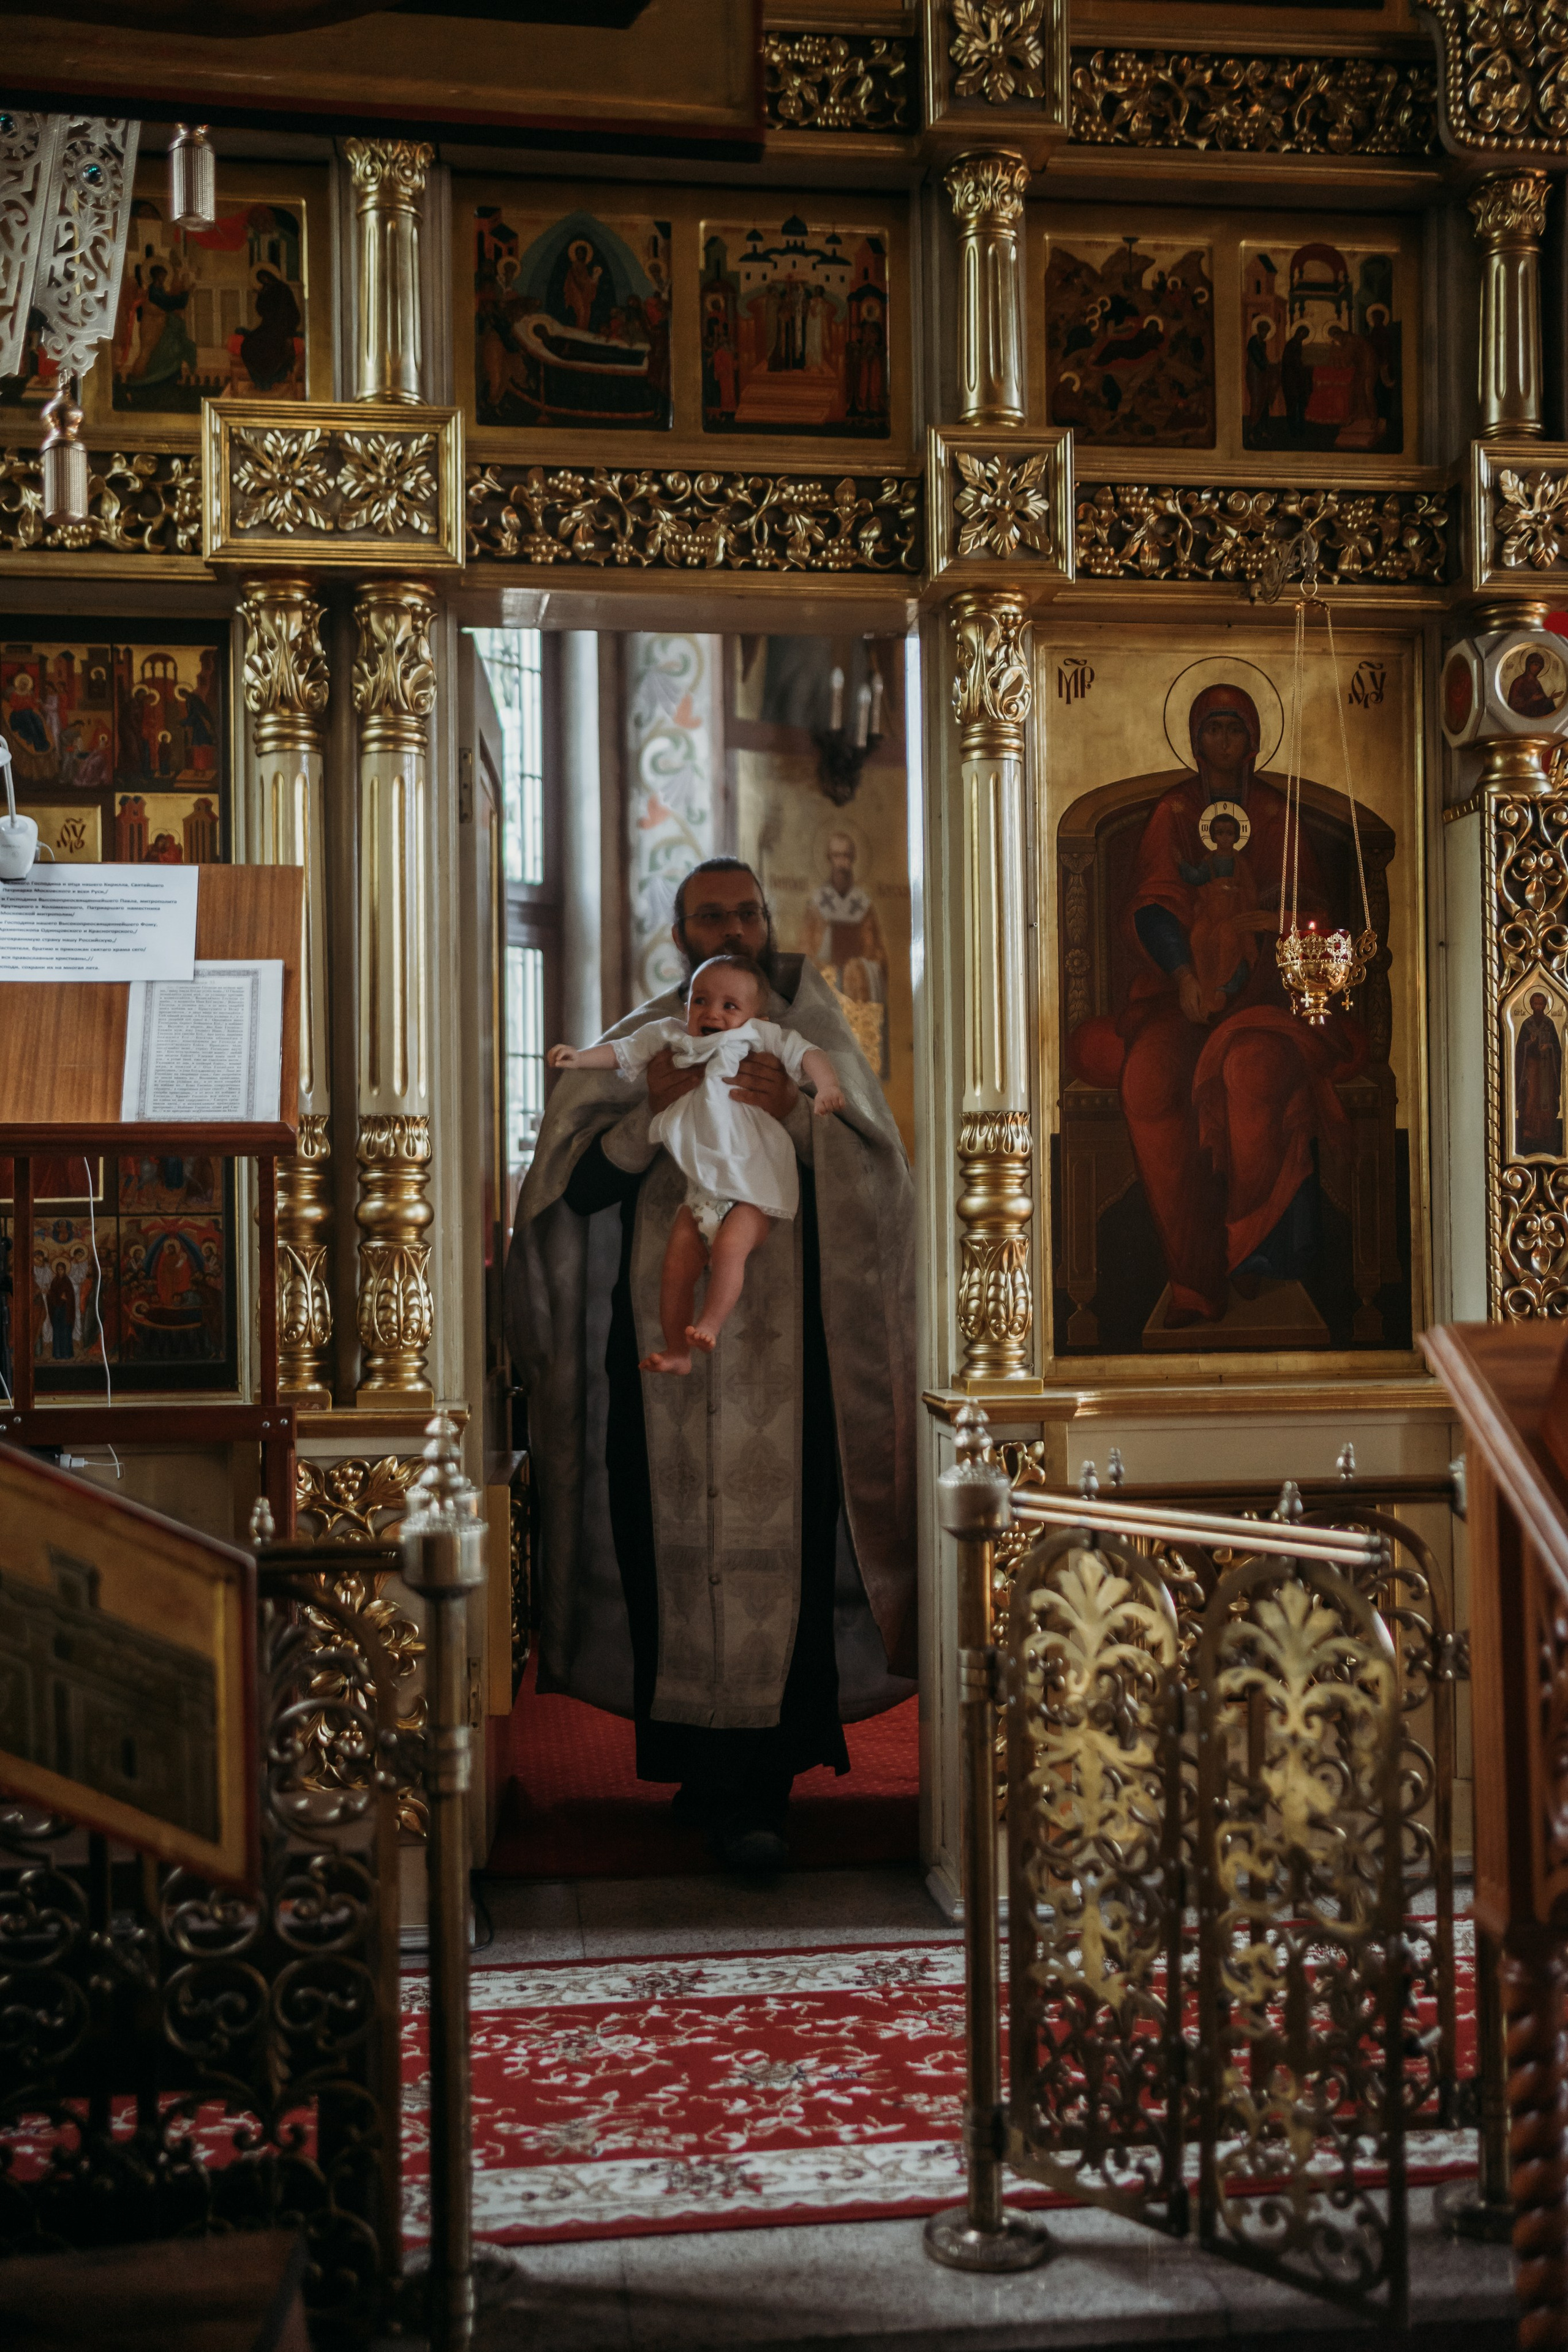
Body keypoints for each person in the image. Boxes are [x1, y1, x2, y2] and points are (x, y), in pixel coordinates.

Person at [507, 857, 916, 1872]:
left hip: (794, 1355)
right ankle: (695, 1765)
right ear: (680, 934)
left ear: (767, 921)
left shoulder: (810, 1038)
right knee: (668, 1548)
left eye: (745, 911)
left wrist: (797, 1126)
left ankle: (763, 1792)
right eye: (708, 916)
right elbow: (578, 1198)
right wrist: (649, 1112)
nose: (729, 925)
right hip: (663, 1351)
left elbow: (876, 1191)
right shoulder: (649, 1037)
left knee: (786, 1554)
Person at [1114, 682, 1354, 1329]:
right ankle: (1192, 1277)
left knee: (1251, 1075)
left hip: (1267, 1000)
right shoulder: (1172, 813)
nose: (1223, 740)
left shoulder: (1276, 815)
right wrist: (1186, 975)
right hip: (1181, 997)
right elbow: (1156, 899)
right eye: (1212, 729)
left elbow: (1310, 917)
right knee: (1146, 1081)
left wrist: (1259, 934)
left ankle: (1254, 1254)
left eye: (1234, 729)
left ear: (1252, 740)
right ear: (1195, 740)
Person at [548, 951, 845, 1374]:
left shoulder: (760, 1035)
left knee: (730, 1249)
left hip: (753, 1189)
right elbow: (623, 1051)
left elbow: (808, 1052)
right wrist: (579, 1057)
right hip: (702, 1191)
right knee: (676, 1265)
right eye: (700, 1001)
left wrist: (827, 1086)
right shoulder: (670, 1033)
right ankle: (677, 1349)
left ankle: (710, 1322)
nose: (712, 1013)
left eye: (729, 1006)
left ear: (755, 1014)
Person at [1177, 805, 1270, 1017]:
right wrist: (1181, 863)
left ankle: (1223, 987)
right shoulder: (1209, 861)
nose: (1225, 838)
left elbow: (1251, 892)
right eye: (1220, 833)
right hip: (1211, 913)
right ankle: (1206, 988)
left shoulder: (1240, 863)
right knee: (1198, 936)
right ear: (1214, 836)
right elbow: (1197, 878)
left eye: (1229, 833)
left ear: (1236, 836)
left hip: (1234, 913)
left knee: (1227, 937)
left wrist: (1237, 892)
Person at [1516, 992, 1564, 1156]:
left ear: (1545, 1006)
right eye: (1535, 1004)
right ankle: (1529, 1133)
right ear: (1531, 1005)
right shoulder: (1526, 1024)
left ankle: (1546, 1133)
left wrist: (1549, 1047)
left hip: (1546, 1070)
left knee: (1547, 1100)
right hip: (1531, 1069)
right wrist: (1529, 1043)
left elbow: (1558, 1049)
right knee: (1530, 1098)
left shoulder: (1549, 1024)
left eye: (1541, 1004)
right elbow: (1519, 1050)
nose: (1538, 1007)